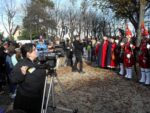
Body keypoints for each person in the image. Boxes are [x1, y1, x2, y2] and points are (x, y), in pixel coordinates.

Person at [10, 43, 46, 113]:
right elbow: (12, 80)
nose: (36, 51)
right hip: (25, 100)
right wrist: (22, 74)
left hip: (37, 98)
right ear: (28, 53)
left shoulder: (36, 61)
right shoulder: (21, 64)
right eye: (34, 50)